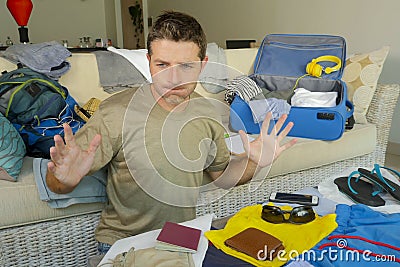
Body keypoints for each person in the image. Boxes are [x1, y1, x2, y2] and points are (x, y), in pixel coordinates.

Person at [46, 10, 297, 254]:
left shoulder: (207, 113)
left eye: (186, 66)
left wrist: (253, 161)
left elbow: (222, 175)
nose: (173, 78)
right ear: (149, 62)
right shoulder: (115, 112)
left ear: (203, 64)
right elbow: (58, 180)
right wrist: (63, 180)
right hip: (124, 245)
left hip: (181, 240)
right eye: (162, 64)